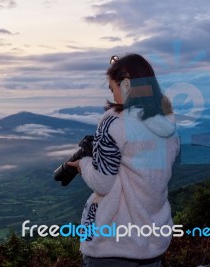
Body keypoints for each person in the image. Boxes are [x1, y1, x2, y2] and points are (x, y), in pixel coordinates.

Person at [67, 54, 179, 267]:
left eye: (112, 88)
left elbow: (102, 182)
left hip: (114, 243)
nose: (113, 95)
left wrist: (83, 164)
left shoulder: (114, 122)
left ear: (125, 84)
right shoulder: (168, 127)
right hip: (153, 242)